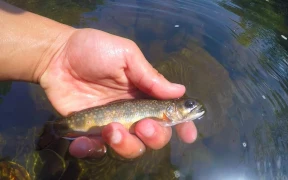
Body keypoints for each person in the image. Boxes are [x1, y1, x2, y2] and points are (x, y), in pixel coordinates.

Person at [0, 1, 197, 159]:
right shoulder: (162, 114)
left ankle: (54, 131)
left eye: (190, 106)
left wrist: (56, 52)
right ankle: (53, 130)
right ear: (172, 107)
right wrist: (57, 52)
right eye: (188, 105)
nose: (192, 108)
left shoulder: (162, 114)